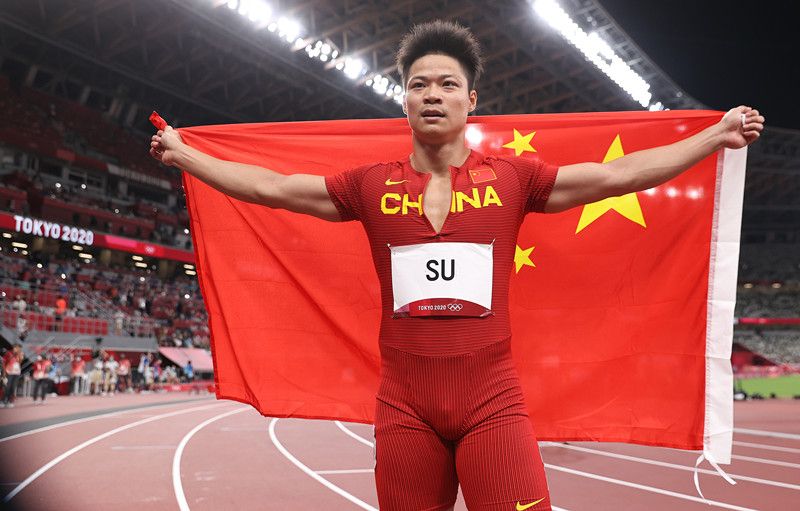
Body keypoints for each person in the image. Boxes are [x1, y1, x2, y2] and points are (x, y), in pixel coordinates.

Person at [149, 20, 764, 511]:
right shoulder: (369, 185)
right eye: (419, 84)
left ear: (471, 101)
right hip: (404, 406)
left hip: (492, 399)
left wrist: (713, 137)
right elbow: (274, 188)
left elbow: (615, 175)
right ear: (405, 100)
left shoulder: (514, 178)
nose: (432, 94)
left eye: (447, 84)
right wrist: (184, 155)